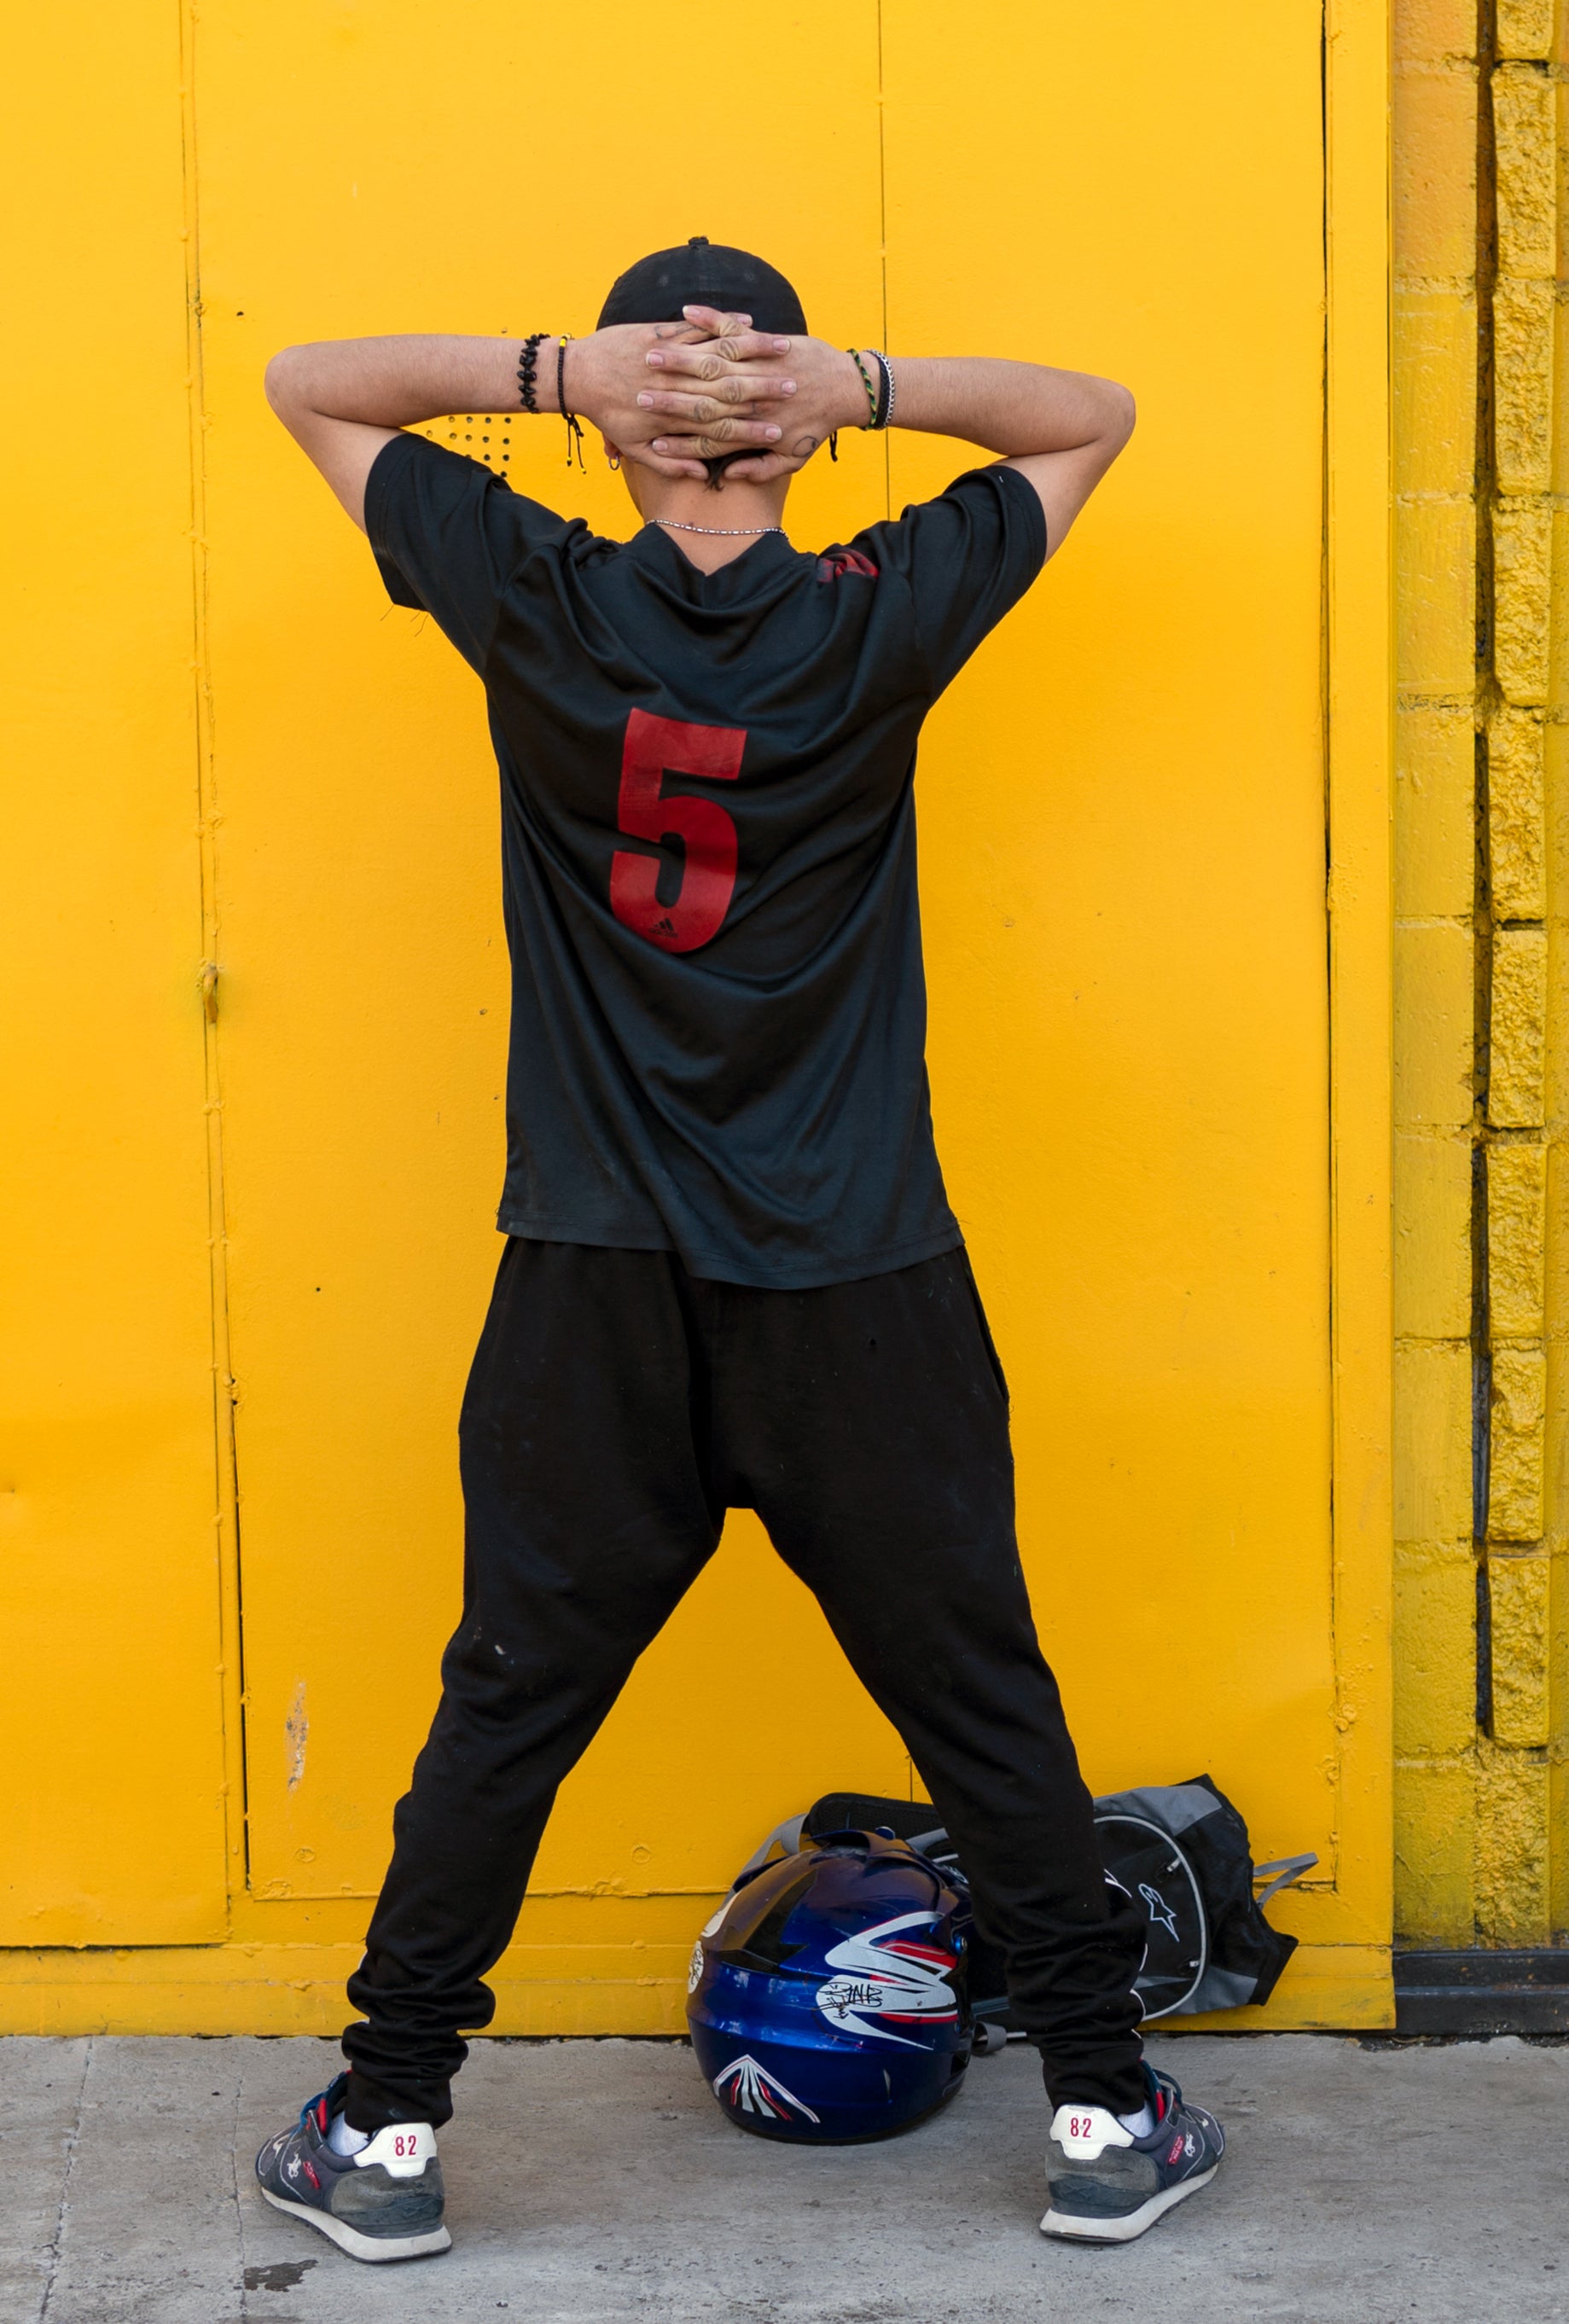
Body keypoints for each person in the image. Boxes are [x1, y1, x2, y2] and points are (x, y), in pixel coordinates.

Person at [248, 239, 1217, 2259]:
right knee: (983, 1706)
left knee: (506, 1702)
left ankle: (390, 2137)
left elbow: (310, 381)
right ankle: (1108, 2120)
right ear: (784, 427)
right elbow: (1090, 413)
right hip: (855, 1270)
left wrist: (549, 367)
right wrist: (848, 384)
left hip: (596, 1274)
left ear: (618, 437)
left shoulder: (533, 591)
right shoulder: (879, 615)